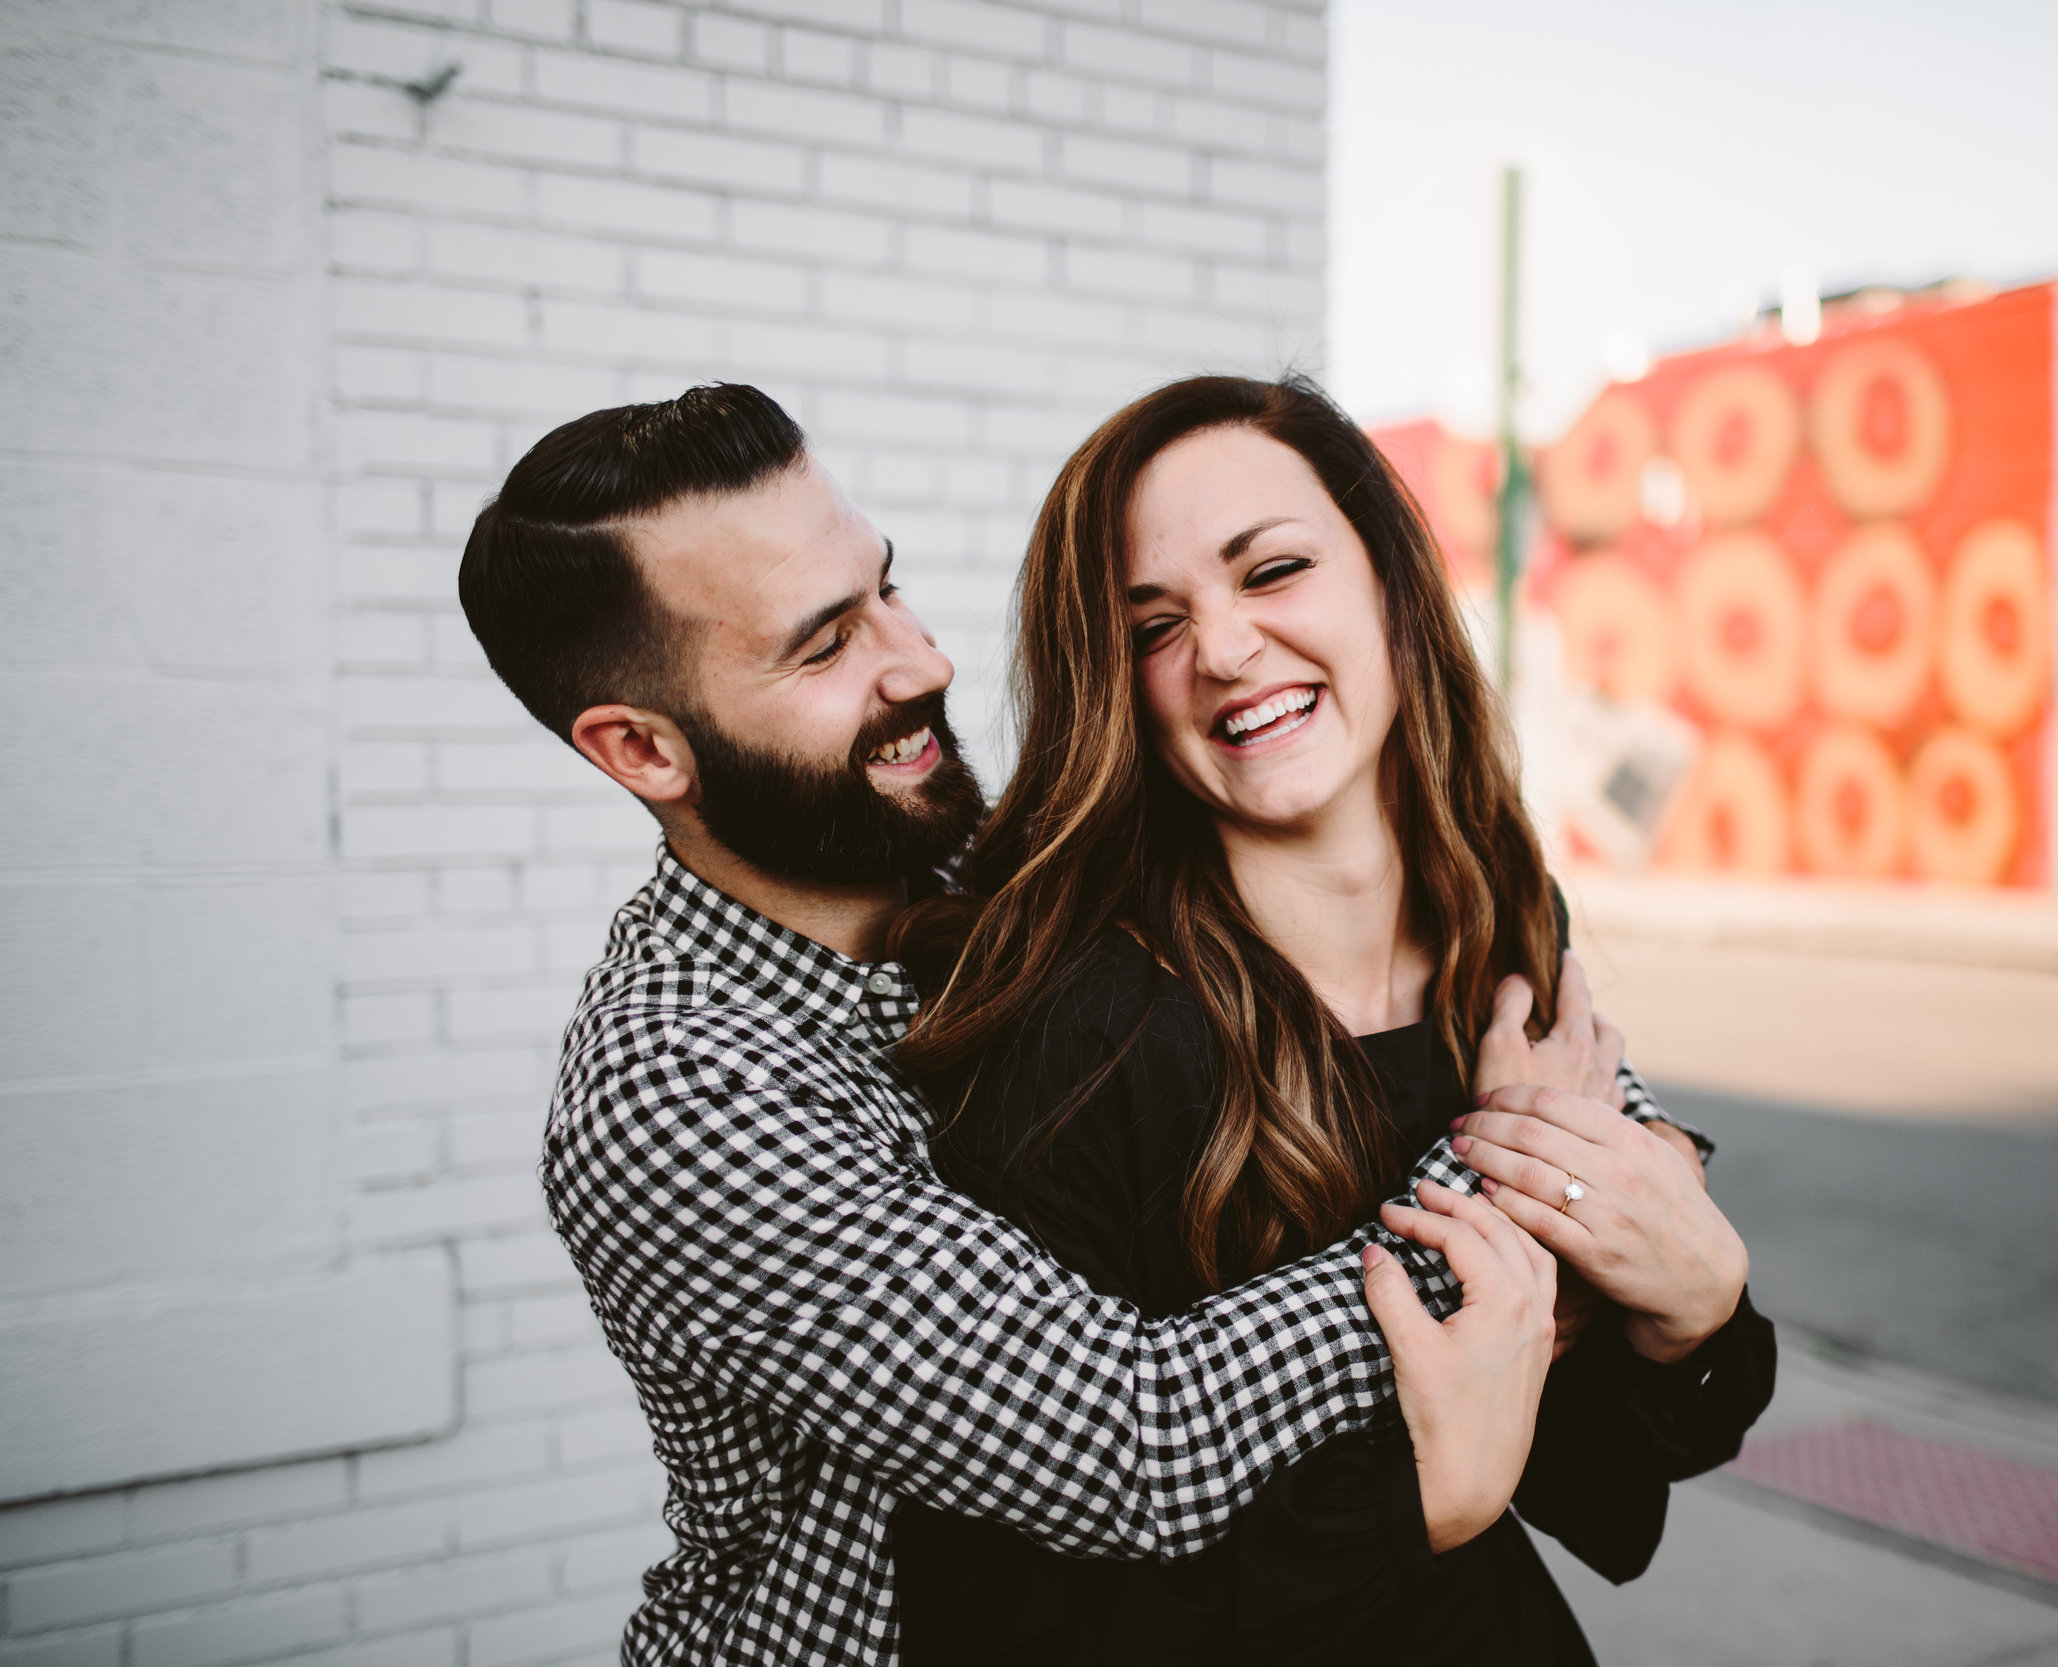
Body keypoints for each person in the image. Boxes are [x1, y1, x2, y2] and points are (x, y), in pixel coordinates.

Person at [455, 384, 1687, 1667]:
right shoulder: (678, 1094)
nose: (921, 660)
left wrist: (1643, 1224)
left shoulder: (989, 872)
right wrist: (1520, 1167)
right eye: (824, 648)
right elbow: (1134, 1434)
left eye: (887, 587)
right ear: (645, 750)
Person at [888, 375, 1774, 1664]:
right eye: (1154, 625)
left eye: (1275, 570)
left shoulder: (1502, 932)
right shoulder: (1076, 1036)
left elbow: (1586, 1463)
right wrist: (1421, 1495)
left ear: (1391, 586)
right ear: (1118, 687)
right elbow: (1006, 1616)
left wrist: (1695, 1313)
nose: (1228, 649)